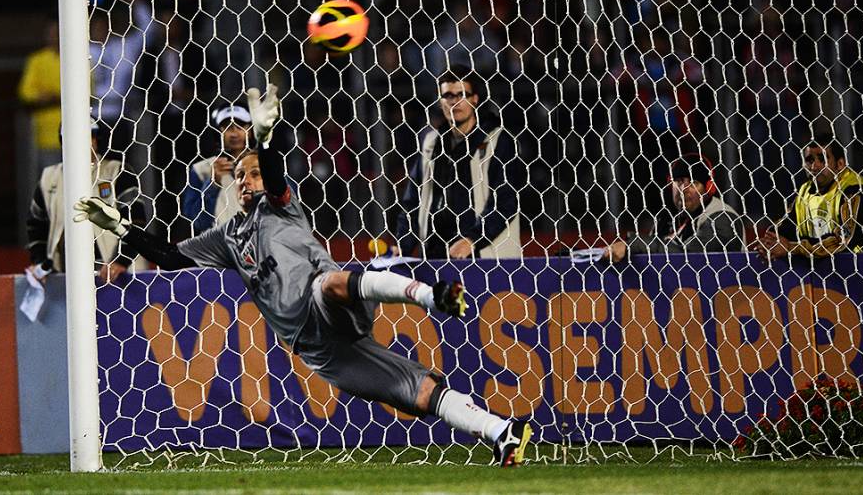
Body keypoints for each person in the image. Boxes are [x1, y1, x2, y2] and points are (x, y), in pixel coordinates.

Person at [73, 85, 533, 467]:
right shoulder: (228, 237)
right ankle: (501, 432)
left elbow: (274, 175)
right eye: (240, 176)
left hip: (336, 304)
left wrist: (268, 137)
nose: (247, 181)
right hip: (321, 350)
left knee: (328, 283)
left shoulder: (282, 208)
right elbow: (172, 257)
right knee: (415, 391)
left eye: (253, 174)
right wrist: (120, 227)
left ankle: (434, 296)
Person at [394, 64, 523, 260]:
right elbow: (412, 202)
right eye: (448, 96)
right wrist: (402, 246)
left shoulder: (497, 141)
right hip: (436, 256)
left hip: (484, 258)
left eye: (462, 94)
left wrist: (471, 240)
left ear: (475, 99)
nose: (455, 102)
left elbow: (505, 202)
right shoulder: (432, 143)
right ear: (440, 101)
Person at [26, 119, 144, 284]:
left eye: (88, 136)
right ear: (63, 141)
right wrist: (39, 262)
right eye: (73, 137)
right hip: (68, 279)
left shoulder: (117, 171)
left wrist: (121, 260)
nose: (81, 142)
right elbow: (36, 225)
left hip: (121, 277)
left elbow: (136, 221)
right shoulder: (49, 178)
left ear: (96, 139)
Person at [754, 139, 863, 260]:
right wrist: (770, 242)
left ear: (840, 164)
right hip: (823, 270)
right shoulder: (805, 191)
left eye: (823, 159)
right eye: (809, 160)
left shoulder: (854, 191)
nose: (815, 166)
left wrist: (791, 247)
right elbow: (786, 227)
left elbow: (844, 241)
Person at [603, 153, 744, 262]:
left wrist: (636, 244)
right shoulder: (668, 218)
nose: (684, 189)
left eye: (693, 182)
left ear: (709, 188)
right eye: (679, 181)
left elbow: (692, 260)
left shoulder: (722, 217)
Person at [182, 103, 254, 234]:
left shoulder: (266, 166)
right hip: (220, 248)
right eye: (227, 127)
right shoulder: (201, 170)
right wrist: (213, 184)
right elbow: (197, 222)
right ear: (216, 132)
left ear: (250, 131)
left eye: (240, 126)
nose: (234, 133)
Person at [17, 16, 62, 174]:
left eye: (57, 33)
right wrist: (49, 97)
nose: (54, 37)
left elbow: (89, 88)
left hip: (75, 134)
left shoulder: (75, 58)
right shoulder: (37, 60)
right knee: (51, 182)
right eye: (51, 33)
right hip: (46, 135)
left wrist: (55, 96)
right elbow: (25, 92)